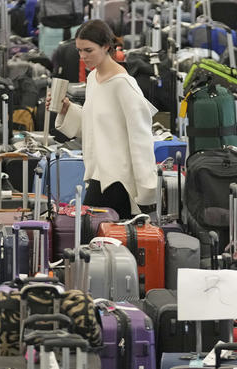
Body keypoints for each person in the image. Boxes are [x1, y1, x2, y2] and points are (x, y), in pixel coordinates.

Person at [46, 19, 158, 219]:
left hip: (118, 182)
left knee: (95, 238)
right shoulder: (93, 78)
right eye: (79, 50)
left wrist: (147, 192)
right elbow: (94, 125)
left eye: (88, 50)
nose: (82, 56)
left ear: (106, 46)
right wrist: (67, 109)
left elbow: (141, 139)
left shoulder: (124, 85)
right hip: (98, 174)